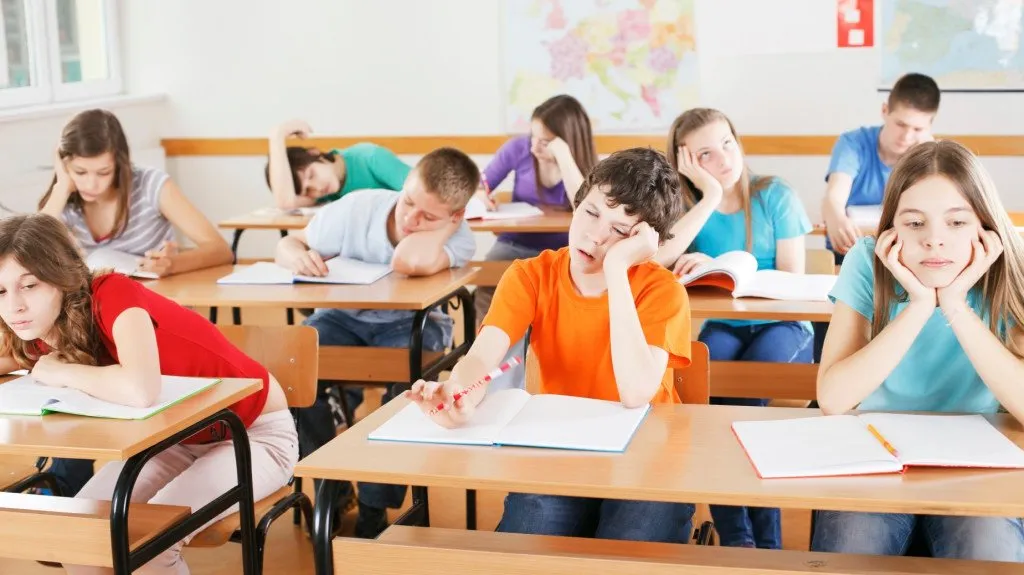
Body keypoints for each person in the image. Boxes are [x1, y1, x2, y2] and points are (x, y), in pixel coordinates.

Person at [407, 148, 695, 543]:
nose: (595, 236)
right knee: (527, 543)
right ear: (578, 202)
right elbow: (481, 355)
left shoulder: (663, 291)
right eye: (591, 213)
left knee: (630, 549)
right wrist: (461, 397)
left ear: (645, 243)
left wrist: (616, 268)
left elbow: (634, 393)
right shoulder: (532, 275)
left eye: (620, 232)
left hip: (645, 454)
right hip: (557, 446)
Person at [0, 213, 296, 575]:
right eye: (0, 290)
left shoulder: (112, 293)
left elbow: (140, 390)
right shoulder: (38, 327)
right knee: (82, 541)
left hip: (251, 434)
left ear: (62, 276)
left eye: (29, 286)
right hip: (172, 439)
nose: (14, 305)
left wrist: (62, 371)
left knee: (153, 547)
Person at [813, 140, 1024, 562]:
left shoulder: (1010, 264)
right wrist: (920, 304)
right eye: (914, 224)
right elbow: (834, 399)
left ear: (984, 226)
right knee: (853, 543)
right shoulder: (866, 260)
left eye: (957, 223)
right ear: (891, 229)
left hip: (979, 461)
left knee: (989, 549)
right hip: (875, 453)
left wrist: (957, 306)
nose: (935, 241)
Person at [275, 147, 479, 538]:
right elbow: (290, 242)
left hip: (414, 325)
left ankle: (374, 503)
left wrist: (445, 227)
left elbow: (409, 261)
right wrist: (296, 257)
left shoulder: (460, 237)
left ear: (454, 217)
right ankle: (329, 485)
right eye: (408, 201)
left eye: (428, 216)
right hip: (344, 318)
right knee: (296, 362)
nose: (410, 218)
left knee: (409, 389)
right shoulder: (357, 207)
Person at [38, 108, 234, 496]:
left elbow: (219, 249)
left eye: (102, 172)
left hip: (149, 323)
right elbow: (27, 252)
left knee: (87, 375)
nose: (90, 183)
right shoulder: (65, 202)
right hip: (92, 329)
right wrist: (61, 187)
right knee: (70, 376)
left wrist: (172, 263)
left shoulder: (151, 187)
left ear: (121, 164)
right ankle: (68, 493)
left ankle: (107, 487)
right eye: (79, 172)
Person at [657, 108, 812, 549]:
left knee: (744, 399)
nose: (724, 159)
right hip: (727, 324)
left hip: (783, 324)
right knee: (706, 391)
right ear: (687, 164)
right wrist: (706, 198)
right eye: (706, 154)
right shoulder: (691, 207)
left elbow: (792, 280)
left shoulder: (774, 194)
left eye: (727, 143)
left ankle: (768, 542)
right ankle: (738, 536)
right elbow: (661, 260)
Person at [473, 94, 597, 389]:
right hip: (515, 245)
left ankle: (553, 379)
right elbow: (483, 182)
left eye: (545, 141)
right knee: (489, 283)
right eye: (533, 136)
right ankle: (493, 378)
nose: (534, 146)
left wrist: (563, 156)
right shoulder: (518, 149)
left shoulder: (586, 165)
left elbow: (583, 205)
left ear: (566, 141)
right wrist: (480, 194)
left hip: (564, 252)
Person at [265, 119, 411, 209]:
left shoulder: (369, 157)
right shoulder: (324, 191)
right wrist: (277, 136)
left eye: (311, 175)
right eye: (307, 191)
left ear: (315, 153)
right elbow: (286, 202)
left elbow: (422, 192)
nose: (317, 189)